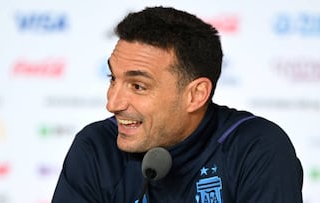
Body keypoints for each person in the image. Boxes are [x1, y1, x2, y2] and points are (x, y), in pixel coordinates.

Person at [52, 6, 303, 203]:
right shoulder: (97, 146)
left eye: (138, 86)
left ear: (196, 95)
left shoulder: (257, 148)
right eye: (113, 79)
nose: (112, 103)